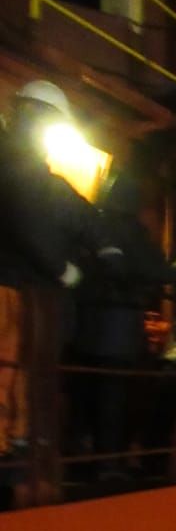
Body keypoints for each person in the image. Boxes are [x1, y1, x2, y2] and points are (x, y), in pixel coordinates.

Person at [0, 79, 121, 505]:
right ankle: (12, 460)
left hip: (17, 286)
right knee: (9, 369)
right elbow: (28, 217)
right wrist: (63, 268)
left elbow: (64, 206)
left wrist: (104, 242)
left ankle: (16, 452)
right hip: (11, 287)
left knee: (15, 371)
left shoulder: (20, 162)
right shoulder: (17, 165)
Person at [68, 160, 176, 479]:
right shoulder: (131, 231)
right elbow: (156, 271)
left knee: (83, 393)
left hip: (83, 326)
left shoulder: (92, 225)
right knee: (112, 396)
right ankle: (108, 464)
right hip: (117, 327)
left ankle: (78, 457)